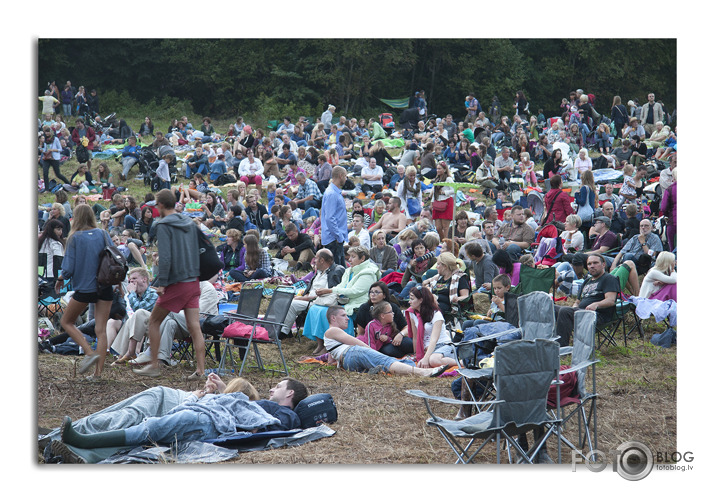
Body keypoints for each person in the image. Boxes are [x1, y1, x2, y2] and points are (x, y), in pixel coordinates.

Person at [58, 377, 309, 450]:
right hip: (196, 403)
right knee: (133, 408)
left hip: (202, 414)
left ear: (289, 395)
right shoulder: (262, 403)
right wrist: (221, 390)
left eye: (279, 386)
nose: (272, 387)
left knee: (149, 423)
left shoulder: (285, 416)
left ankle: (82, 439)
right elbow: (239, 403)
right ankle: (79, 427)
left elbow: (265, 423)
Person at [132, 189, 205, 379]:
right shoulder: (189, 221)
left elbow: (165, 258)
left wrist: (162, 283)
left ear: (161, 205)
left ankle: (154, 364)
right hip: (193, 281)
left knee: (154, 321)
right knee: (194, 327)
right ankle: (201, 370)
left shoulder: (162, 225)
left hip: (177, 282)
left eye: (156, 205)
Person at [53, 205, 114, 378]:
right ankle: (97, 374)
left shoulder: (74, 238)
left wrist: (60, 280)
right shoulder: (103, 234)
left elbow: (68, 268)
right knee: (101, 330)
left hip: (86, 288)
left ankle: (88, 352)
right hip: (105, 285)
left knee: (67, 322)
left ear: (76, 218)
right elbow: (112, 257)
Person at [324, 305, 448, 376]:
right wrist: (372, 352)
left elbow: (330, 359)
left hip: (348, 361)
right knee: (386, 360)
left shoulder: (332, 334)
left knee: (393, 362)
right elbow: (357, 343)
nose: (347, 318)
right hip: (354, 353)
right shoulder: (333, 331)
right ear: (333, 318)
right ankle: (423, 373)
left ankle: (415, 369)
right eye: (343, 315)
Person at [302, 246, 379, 355]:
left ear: (362, 259)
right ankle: (321, 342)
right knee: (315, 308)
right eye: (350, 257)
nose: (349, 260)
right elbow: (342, 286)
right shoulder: (349, 270)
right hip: (345, 301)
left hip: (357, 305)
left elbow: (355, 291)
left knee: (327, 312)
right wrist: (332, 291)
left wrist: (330, 290)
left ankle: (332, 345)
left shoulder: (368, 273)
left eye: (353, 257)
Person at [554, 254, 620, 347]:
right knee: (551, 307)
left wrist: (596, 304)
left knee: (565, 311)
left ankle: (561, 347)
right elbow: (577, 302)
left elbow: (610, 300)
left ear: (603, 265)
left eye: (595, 263)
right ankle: (547, 341)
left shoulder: (609, 279)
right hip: (581, 313)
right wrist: (574, 309)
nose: (592, 266)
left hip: (597, 315)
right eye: (589, 264)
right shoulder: (587, 281)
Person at [280, 248, 345, 341]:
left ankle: (283, 333)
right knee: (283, 299)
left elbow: (330, 295)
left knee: (291, 304)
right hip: (310, 300)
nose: (314, 261)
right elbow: (311, 290)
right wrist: (301, 297)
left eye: (316, 258)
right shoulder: (319, 272)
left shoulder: (334, 273)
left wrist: (302, 299)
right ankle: (282, 329)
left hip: (319, 303)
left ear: (322, 260)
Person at [405, 287, 458, 368]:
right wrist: (417, 354)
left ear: (421, 300)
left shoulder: (436, 314)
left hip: (442, 345)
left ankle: (460, 363)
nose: (409, 301)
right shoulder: (412, 313)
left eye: (412, 299)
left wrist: (426, 358)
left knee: (433, 361)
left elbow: (434, 340)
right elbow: (415, 337)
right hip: (426, 348)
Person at [421, 252, 471, 316]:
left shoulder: (459, 277)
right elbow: (426, 284)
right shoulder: (437, 277)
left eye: (438, 264)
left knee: (431, 311)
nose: (436, 267)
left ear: (445, 266)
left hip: (446, 305)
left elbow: (465, 296)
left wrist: (457, 299)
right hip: (432, 302)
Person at [320, 166, 349, 267]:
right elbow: (329, 218)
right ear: (340, 176)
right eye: (345, 176)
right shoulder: (332, 194)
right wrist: (338, 236)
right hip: (334, 239)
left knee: (341, 271)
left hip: (335, 238)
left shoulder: (334, 192)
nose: (346, 179)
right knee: (337, 273)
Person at [431, 161, 455, 241]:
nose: (437, 170)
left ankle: (446, 242)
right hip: (437, 202)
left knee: (445, 227)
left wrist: (444, 192)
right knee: (438, 227)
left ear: (444, 170)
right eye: (437, 169)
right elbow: (434, 191)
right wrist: (432, 201)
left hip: (446, 202)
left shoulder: (448, 179)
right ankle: (442, 241)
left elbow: (454, 190)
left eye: (439, 169)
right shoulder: (437, 179)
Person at [38, 219, 66, 283]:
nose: (61, 232)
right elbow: (59, 260)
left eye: (61, 229)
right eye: (58, 229)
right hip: (53, 275)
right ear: (51, 229)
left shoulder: (42, 241)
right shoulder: (56, 244)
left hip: (41, 274)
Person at [660, 168, 677, 252]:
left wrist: (668, 215)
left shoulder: (670, 189)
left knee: (673, 249)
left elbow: (663, 208)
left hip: (673, 222)